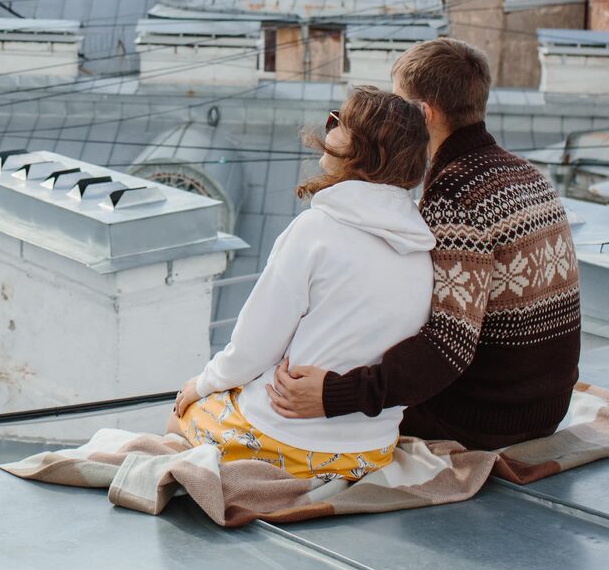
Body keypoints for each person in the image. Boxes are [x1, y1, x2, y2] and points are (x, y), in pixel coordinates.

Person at [267, 38, 582, 450]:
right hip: (544, 406)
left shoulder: (455, 197)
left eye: (398, 102)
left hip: (484, 419)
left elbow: (448, 344)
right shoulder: (524, 172)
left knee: (294, 417)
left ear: (424, 114)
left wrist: (333, 395)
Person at [172, 87, 434, 480]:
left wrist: (202, 384)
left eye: (339, 121)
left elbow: (254, 346)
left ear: (362, 148)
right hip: (370, 450)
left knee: (179, 418)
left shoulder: (315, 230)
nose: (329, 127)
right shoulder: (420, 245)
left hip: (289, 439)